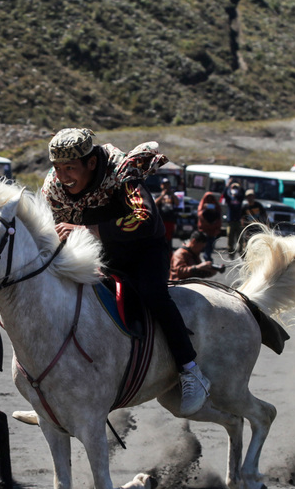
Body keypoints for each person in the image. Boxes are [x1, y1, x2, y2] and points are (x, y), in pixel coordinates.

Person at [42, 127, 210, 415]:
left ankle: (190, 369)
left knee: (153, 295)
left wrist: (88, 229)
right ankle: (55, 387)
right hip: (100, 253)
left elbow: (144, 219)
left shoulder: (122, 172)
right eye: (57, 168)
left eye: (70, 168)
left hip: (144, 250)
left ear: (91, 163)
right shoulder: (54, 188)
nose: (62, 176)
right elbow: (55, 228)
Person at [196, 192, 223, 262]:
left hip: (212, 228)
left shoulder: (216, 206)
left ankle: (208, 256)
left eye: (211, 198)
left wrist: (213, 210)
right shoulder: (202, 205)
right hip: (205, 227)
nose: (209, 199)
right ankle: (201, 258)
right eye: (208, 198)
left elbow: (219, 216)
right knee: (202, 243)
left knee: (210, 243)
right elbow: (200, 214)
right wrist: (205, 209)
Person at [154, 177, 179, 247]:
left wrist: (172, 195)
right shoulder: (158, 195)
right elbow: (155, 203)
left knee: (169, 237)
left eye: (167, 184)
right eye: (164, 184)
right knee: (161, 236)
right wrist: (162, 195)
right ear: (161, 185)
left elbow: (177, 203)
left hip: (170, 219)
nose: (166, 186)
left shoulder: (172, 195)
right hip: (162, 219)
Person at [222, 179, 244, 253]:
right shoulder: (229, 199)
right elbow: (224, 194)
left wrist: (240, 185)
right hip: (230, 221)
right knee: (230, 238)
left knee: (239, 238)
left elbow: (243, 193)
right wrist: (227, 185)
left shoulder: (239, 198)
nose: (235, 190)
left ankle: (240, 251)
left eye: (236, 188)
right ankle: (230, 252)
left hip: (238, 221)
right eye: (233, 188)